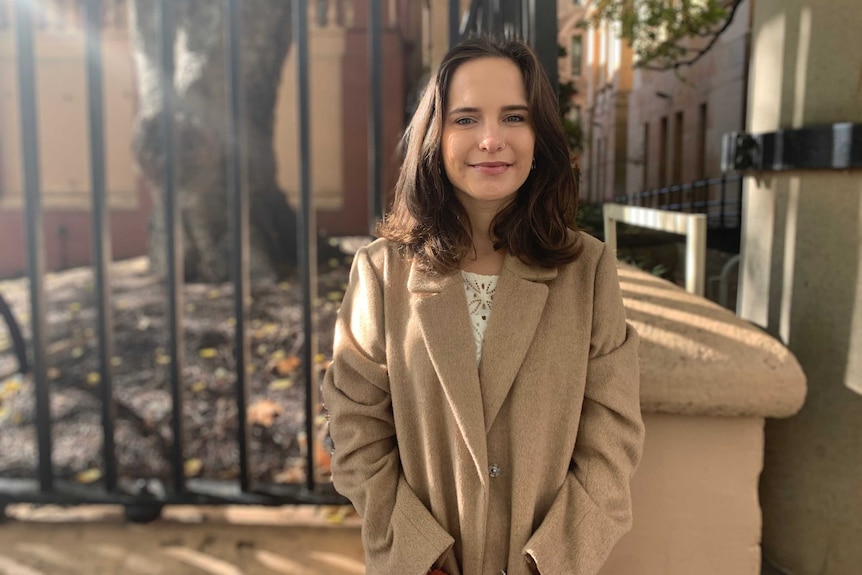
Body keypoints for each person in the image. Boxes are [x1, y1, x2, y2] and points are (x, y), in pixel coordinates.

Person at [322, 36, 644, 575]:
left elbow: (612, 437)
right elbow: (354, 427)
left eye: (513, 117)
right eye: (466, 119)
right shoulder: (381, 272)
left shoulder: (587, 271)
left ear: (539, 134)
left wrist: (551, 560)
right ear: (436, 136)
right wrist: (418, 554)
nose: (492, 139)